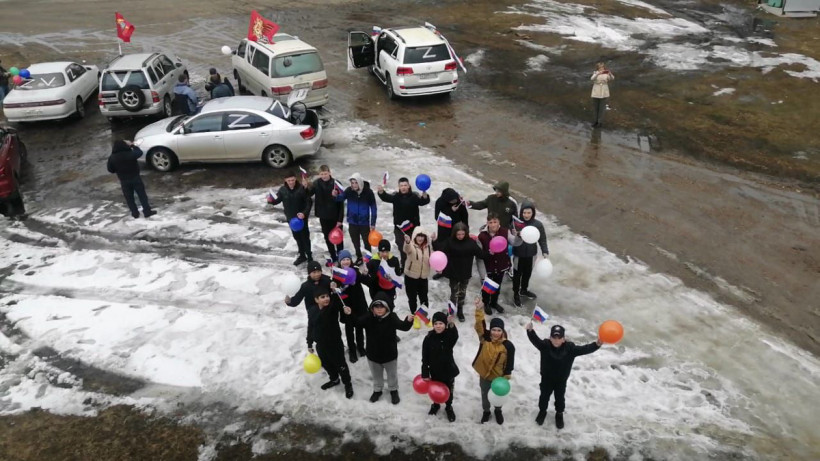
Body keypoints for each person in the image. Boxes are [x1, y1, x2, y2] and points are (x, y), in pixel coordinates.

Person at [526, 323, 602, 429]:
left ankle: (559, 414)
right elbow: (535, 340)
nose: (556, 340)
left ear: (563, 339)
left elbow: (584, 349)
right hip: (546, 379)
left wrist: (597, 344)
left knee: (560, 398)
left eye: (559, 338)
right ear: (550, 338)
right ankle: (542, 411)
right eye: (554, 337)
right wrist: (530, 331)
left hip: (561, 381)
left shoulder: (570, 348)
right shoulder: (545, 345)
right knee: (544, 397)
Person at [354, 293, 414, 404]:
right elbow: (356, 323)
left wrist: (408, 321)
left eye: (382, 307)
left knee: (392, 375)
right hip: (373, 355)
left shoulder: (392, 317)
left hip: (389, 355)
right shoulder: (368, 317)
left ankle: (393, 390)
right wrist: (349, 314)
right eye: (376, 307)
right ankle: (377, 390)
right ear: (372, 308)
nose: (379, 309)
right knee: (376, 375)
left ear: (387, 307)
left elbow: (403, 326)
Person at [473, 298, 515, 425]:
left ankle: (498, 410)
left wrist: (506, 375)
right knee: (485, 395)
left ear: (503, 331)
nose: (496, 333)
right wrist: (479, 310)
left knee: (498, 395)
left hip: (499, 377)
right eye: (493, 330)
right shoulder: (485, 339)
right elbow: (479, 325)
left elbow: (510, 363)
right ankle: (486, 411)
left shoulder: (508, 346)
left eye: (499, 330)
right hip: (485, 375)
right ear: (490, 330)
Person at [311, 285, 354, 398]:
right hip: (321, 345)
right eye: (322, 297)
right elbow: (311, 326)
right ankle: (334, 379)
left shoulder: (332, 308)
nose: (326, 298)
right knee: (326, 364)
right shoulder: (313, 310)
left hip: (335, 344)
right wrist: (309, 342)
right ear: (316, 300)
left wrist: (346, 311)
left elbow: (338, 302)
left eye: (327, 296)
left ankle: (348, 384)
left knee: (341, 365)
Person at [377, 177, 430, 270]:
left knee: (414, 248)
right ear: (399, 187)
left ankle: (414, 266)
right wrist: (381, 192)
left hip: (413, 228)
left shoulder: (414, 196)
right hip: (400, 229)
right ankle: (404, 265)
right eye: (401, 185)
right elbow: (386, 197)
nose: (403, 187)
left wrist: (424, 194)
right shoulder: (396, 196)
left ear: (409, 186)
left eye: (405, 185)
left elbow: (423, 201)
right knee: (402, 248)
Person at [434, 222, 482, 322]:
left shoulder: (471, 243)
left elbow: (480, 253)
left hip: (465, 273)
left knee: (462, 293)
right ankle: (451, 310)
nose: (460, 236)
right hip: (453, 272)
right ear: (454, 233)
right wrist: (434, 241)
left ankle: (460, 310)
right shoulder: (449, 242)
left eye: (462, 234)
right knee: (454, 293)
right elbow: (441, 251)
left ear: (466, 233)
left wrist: (490, 253)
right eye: (458, 234)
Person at [268, 171, 313, 266]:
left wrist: (304, 213)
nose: (291, 182)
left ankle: (309, 257)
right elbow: (277, 200)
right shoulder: (282, 190)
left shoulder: (302, 188)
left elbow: (309, 203)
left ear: (295, 179)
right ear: (285, 180)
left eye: (292, 180)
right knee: (297, 237)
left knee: (305, 238)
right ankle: (302, 255)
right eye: (289, 180)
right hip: (291, 219)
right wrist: (270, 201)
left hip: (301, 219)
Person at [285, 261, 331, 351]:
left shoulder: (327, 280)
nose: (317, 274)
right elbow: (296, 300)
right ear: (309, 273)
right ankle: (312, 344)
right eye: (314, 272)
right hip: (313, 313)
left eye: (319, 271)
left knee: (331, 327)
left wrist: (334, 285)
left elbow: (335, 291)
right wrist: (289, 302)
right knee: (314, 328)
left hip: (327, 310)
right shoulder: (305, 286)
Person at [421, 311, 459, 422]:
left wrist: (451, 324)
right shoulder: (428, 338)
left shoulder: (448, 336)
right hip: (435, 371)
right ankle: (436, 404)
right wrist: (425, 372)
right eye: (436, 323)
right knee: (436, 389)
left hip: (448, 371)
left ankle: (449, 407)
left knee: (449, 390)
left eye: (441, 323)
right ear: (433, 325)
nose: (438, 326)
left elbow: (455, 336)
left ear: (445, 324)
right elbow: (425, 357)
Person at [511, 201, 549, 307]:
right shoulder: (516, 223)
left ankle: (524, 290)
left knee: (527, 273)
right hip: (519, 254)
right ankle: (516, 294)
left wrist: (545, 251)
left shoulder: (538, 225)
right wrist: (515, 234)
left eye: (529, 213)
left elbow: (542, 239)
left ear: (533, 213)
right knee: (517, 275)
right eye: (524, 213)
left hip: (531, 254)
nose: (526, 215)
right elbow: (510, 238)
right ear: (521, 212)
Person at [332, 249, 367, 363]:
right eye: (343, 260)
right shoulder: (337, 274)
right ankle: (352, 350)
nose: (346, 261)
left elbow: (364, 280)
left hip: (359, 304)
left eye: (348, 259)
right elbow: (335, 291)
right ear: (340, 261)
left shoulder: (355, 270)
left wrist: (364, 274)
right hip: (347, 306)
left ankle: (361, 347)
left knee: (359, 327)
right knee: (349, 329)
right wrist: (333, 287)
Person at [334, 172, 376, 265]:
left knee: (367, 242)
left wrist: (373, 223)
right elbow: (340, 199)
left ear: (360, 182)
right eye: (352, 183)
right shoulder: (349, 191)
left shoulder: (368, 192)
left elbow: (373, 207)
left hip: (364, 222)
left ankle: (369, 258)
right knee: (356, 242)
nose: (354, 185)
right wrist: (335, 195)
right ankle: (359, 257)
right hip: (352, 222)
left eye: (356, 182)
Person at [107, 140, 155, 219]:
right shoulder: (130, 153)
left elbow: (110, 170)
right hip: (135, 178)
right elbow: (140, 152)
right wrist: (132, 145)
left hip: (124, 180)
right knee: (142, 195)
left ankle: (135, 213)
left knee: (129, 198)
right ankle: (147, 211)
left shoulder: (112, 158)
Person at [307, 165, 345, 265]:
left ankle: (341, 257)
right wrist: (306, 187)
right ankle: (333, 256)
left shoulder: (336, 183)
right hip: (323, 216)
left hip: (335, 216)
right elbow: (308, 194)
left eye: (325, 174)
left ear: (329, 173)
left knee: (338, 237)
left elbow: (341, 203)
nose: (324, 176)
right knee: (328, 237)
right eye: (322, 174)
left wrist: (340, 220)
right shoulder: (316, 183)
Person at [477, 213, 513, 314]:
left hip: (501, 265)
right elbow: (479, 255)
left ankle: (494, 302)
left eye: (495, 222)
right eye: (490, 222)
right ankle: (486, 303)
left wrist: (519, 236)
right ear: (487, 223)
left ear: (499, 222)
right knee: (486, 288)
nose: (493, 225)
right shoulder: (482, 236)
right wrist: (482, 273)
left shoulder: (505, 232)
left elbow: (514, 242)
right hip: (488, 266)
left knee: (497, 286)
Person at [433, 188, 468, 280]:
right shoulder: (440, 202)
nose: (454, 201)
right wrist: (450, 211)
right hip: (443, 230)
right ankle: (441, 270)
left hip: (456, 230)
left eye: (455, 199)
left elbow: (465, 217)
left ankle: (455, 270)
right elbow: (437, 217)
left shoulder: (459, 202)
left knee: (455, 251)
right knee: (443, 250)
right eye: (452, 201)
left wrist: (466, 230)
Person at [361, 239, 402, 310]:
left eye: (387, 252)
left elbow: (397, 275)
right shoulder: (372, 262)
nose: (385, 254)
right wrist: (365, 274)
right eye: (382, 252)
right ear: (379, 251)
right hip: (376, 292)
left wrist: (393, 287)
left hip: (389, 291)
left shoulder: (394, 260)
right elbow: (368, 281)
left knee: (389, 308)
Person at [402, 226, 433, 315]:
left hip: (423, 277)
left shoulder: (428, 247)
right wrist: (407, 242)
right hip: (410, 277)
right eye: (418, 236)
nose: (420, 238)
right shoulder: (411, 245)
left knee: (424, 298)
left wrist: (438, 268)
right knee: (412, 298)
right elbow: (406, 249)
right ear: (415, 236)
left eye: (422, 236)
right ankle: (413, 314)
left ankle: (424, 315)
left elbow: (433, 259)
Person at [590, 62, 614, 128]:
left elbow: (612, 78)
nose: (601, 69)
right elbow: (592, 78)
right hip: (596, 92)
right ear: (598, 68)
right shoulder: (595, 73)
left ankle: (600, 122)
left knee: (602, 108)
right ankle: (595, 121)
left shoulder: (606, 74)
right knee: (596, 108)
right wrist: (597, 74)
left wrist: (610, 73)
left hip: (604, 92)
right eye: (600, 67)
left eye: (602, 67)